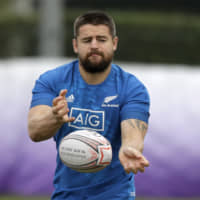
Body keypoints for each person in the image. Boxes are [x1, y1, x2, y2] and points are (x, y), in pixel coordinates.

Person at [28, 10, 150, 200]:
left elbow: (133, 132)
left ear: (114, 43)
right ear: (76, 45)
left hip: (116, 195)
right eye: (87, 40)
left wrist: (130, 148)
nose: (94, 46)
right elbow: (34, 130)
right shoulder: (52, 80)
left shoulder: (131, 88)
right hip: (66, 194)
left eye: (101, 39)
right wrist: (55, 117)